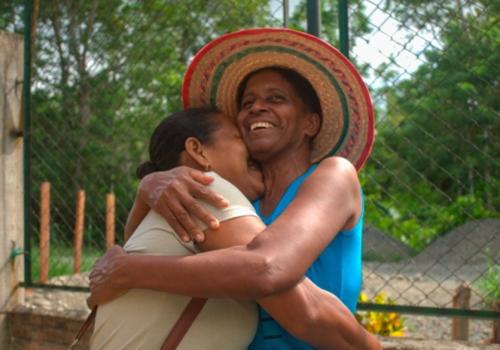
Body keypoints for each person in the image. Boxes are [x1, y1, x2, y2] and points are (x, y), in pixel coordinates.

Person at [89, 28, 377, 349]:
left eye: (276, 98)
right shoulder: (240, 206)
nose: (256, 108)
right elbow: (154, 246)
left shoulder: (333, 175)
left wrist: (129, 271)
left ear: (310, 123)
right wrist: (148, 187)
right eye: (247, 102)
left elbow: (268, 267)